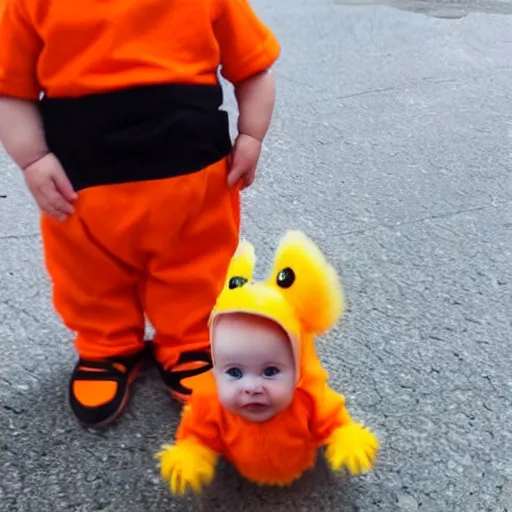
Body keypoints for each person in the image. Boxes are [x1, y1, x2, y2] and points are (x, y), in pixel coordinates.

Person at [0, 0, 280, 429]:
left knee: (196, 266)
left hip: (193, 175)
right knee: (88, 274)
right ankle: (106, 347)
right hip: (81, 182)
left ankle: (190, 343)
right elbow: (10, 89)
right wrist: (33, 158)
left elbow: (253, 68)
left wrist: (252, 134)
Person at [156, 231, 379, 494]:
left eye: (270, 371)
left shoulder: (309, 399)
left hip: (302, 471)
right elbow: (196, 431)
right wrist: (192, 453)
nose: (251, 387)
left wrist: (346, 438)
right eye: (235, 372)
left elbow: (334, 419)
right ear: (215, 370)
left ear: (299, 371)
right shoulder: (211, 403)